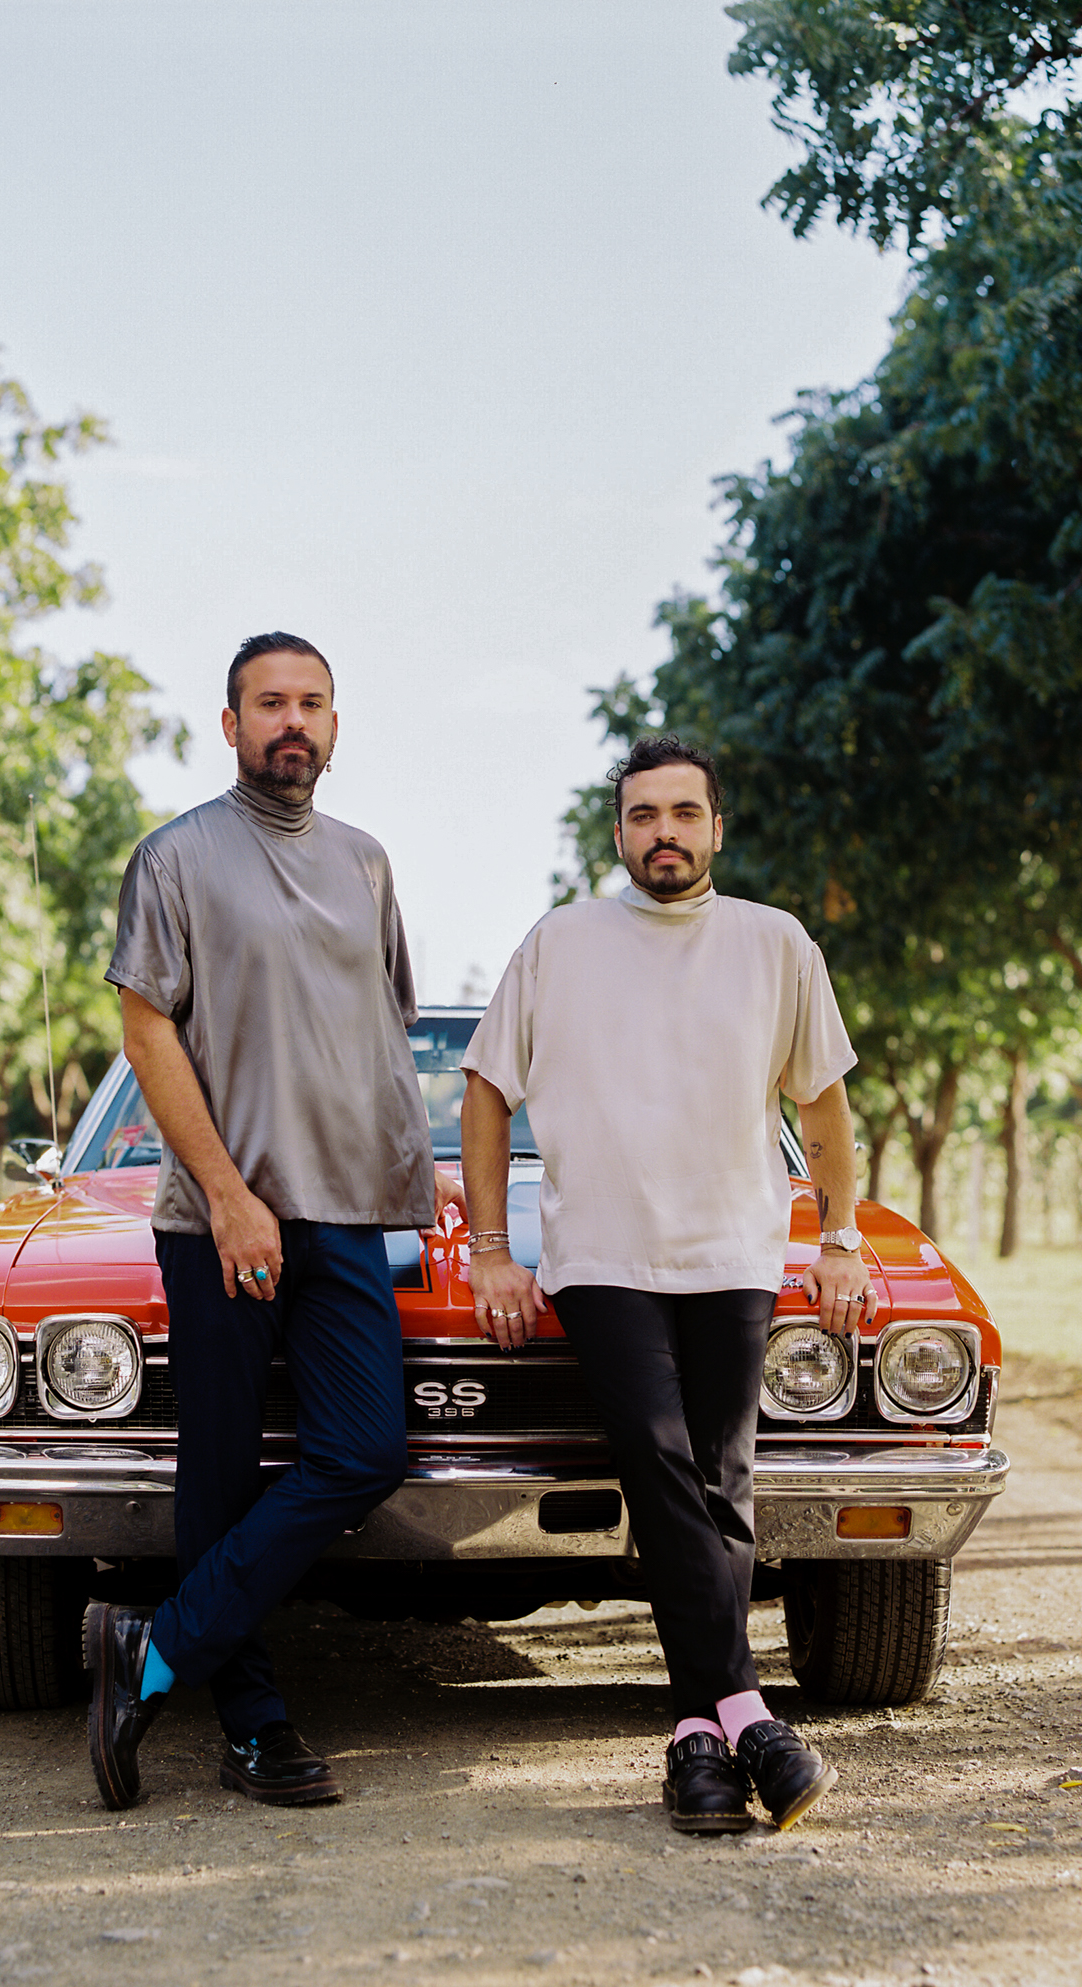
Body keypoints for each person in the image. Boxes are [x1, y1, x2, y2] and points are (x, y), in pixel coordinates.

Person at [458, 733, 874, 1835]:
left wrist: (838, 1235)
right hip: (602, 1254)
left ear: (716, 828)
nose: (665, 833)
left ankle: (701, 1740)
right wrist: (490, 1248)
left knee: (722, 1483)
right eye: (643, 815)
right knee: (660, 1459)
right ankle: (751, 1713)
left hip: (735, 1252)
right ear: (618, 834)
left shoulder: (775, 943)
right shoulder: (559, 942)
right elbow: (486, 1089)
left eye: (684, 813)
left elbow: (823, 1101)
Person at [87, 630, 463, 1812]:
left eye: (310, 702)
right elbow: (146, 1029)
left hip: (346, 1215)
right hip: (220, 1221)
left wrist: (418, 1174)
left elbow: (380, 1036)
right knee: (220, 1470)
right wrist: (230, 1193)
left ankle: (153, 1647)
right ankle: (251, 1723)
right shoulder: (176, 856)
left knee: (364, 1451)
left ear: (334, 726)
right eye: (268, 702)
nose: (290, 721)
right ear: (231, 724)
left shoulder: (365, 862)